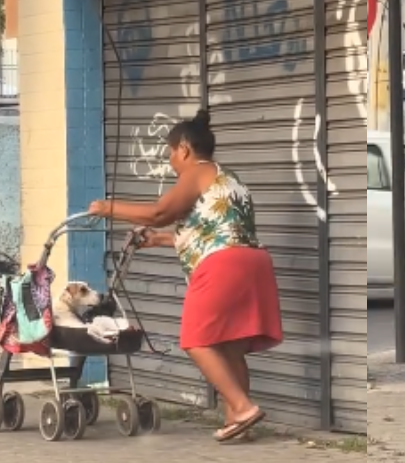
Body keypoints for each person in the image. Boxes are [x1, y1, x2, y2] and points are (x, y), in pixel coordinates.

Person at [87, 109, 283, 442]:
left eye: (170, 154)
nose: (170, 162)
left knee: (196, 340)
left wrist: (107, 207)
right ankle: (237, 423)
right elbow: (213, 228)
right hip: (252, 263)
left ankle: (243, 406)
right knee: (230, 347)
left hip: (221, 266)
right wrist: (160, 239)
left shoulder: (196, 172)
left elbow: (159, 213)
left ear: (185, 149)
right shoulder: (227, 176)